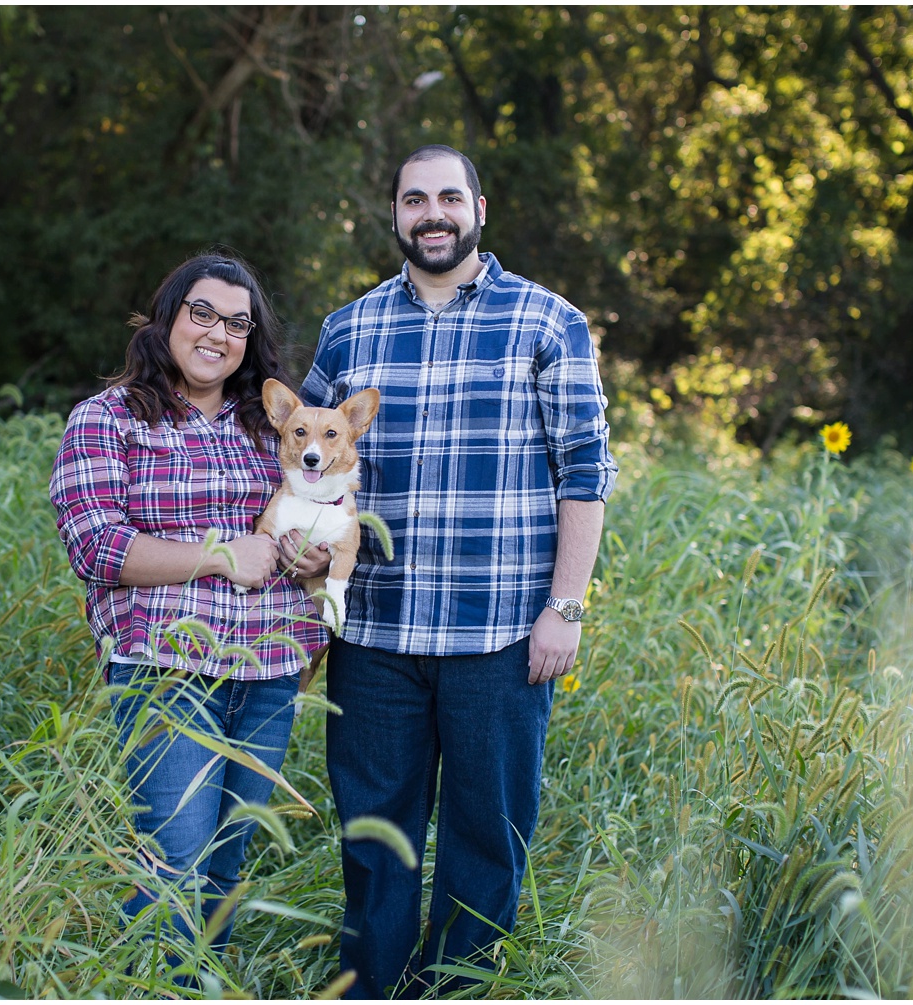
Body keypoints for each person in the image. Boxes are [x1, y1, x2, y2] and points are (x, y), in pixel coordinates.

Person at [299, 145, 618, 997]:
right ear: (396, 214)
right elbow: (301, 455)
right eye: (413, 199)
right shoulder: (350, 328)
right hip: (373, 634)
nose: (431, 213)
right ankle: (371, 987)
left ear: (480, 205)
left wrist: (567, 606)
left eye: (447, 197)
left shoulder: (548, 321)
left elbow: (584, 473)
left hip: (502, 634)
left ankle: (456, 989)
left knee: (488, 831)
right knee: (373, 834)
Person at [49, 252, 330, 959]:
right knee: (173, 866)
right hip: (165, 673)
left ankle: (203, 983)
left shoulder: (273, 427)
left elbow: (304, 521)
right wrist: (218, 554)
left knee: (225, 871)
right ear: (169, 316)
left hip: (267, 673)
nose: (217, 333)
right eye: (202, 312)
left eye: (237, 322)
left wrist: (310, 556)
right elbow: (94, 545)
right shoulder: (108, 419)